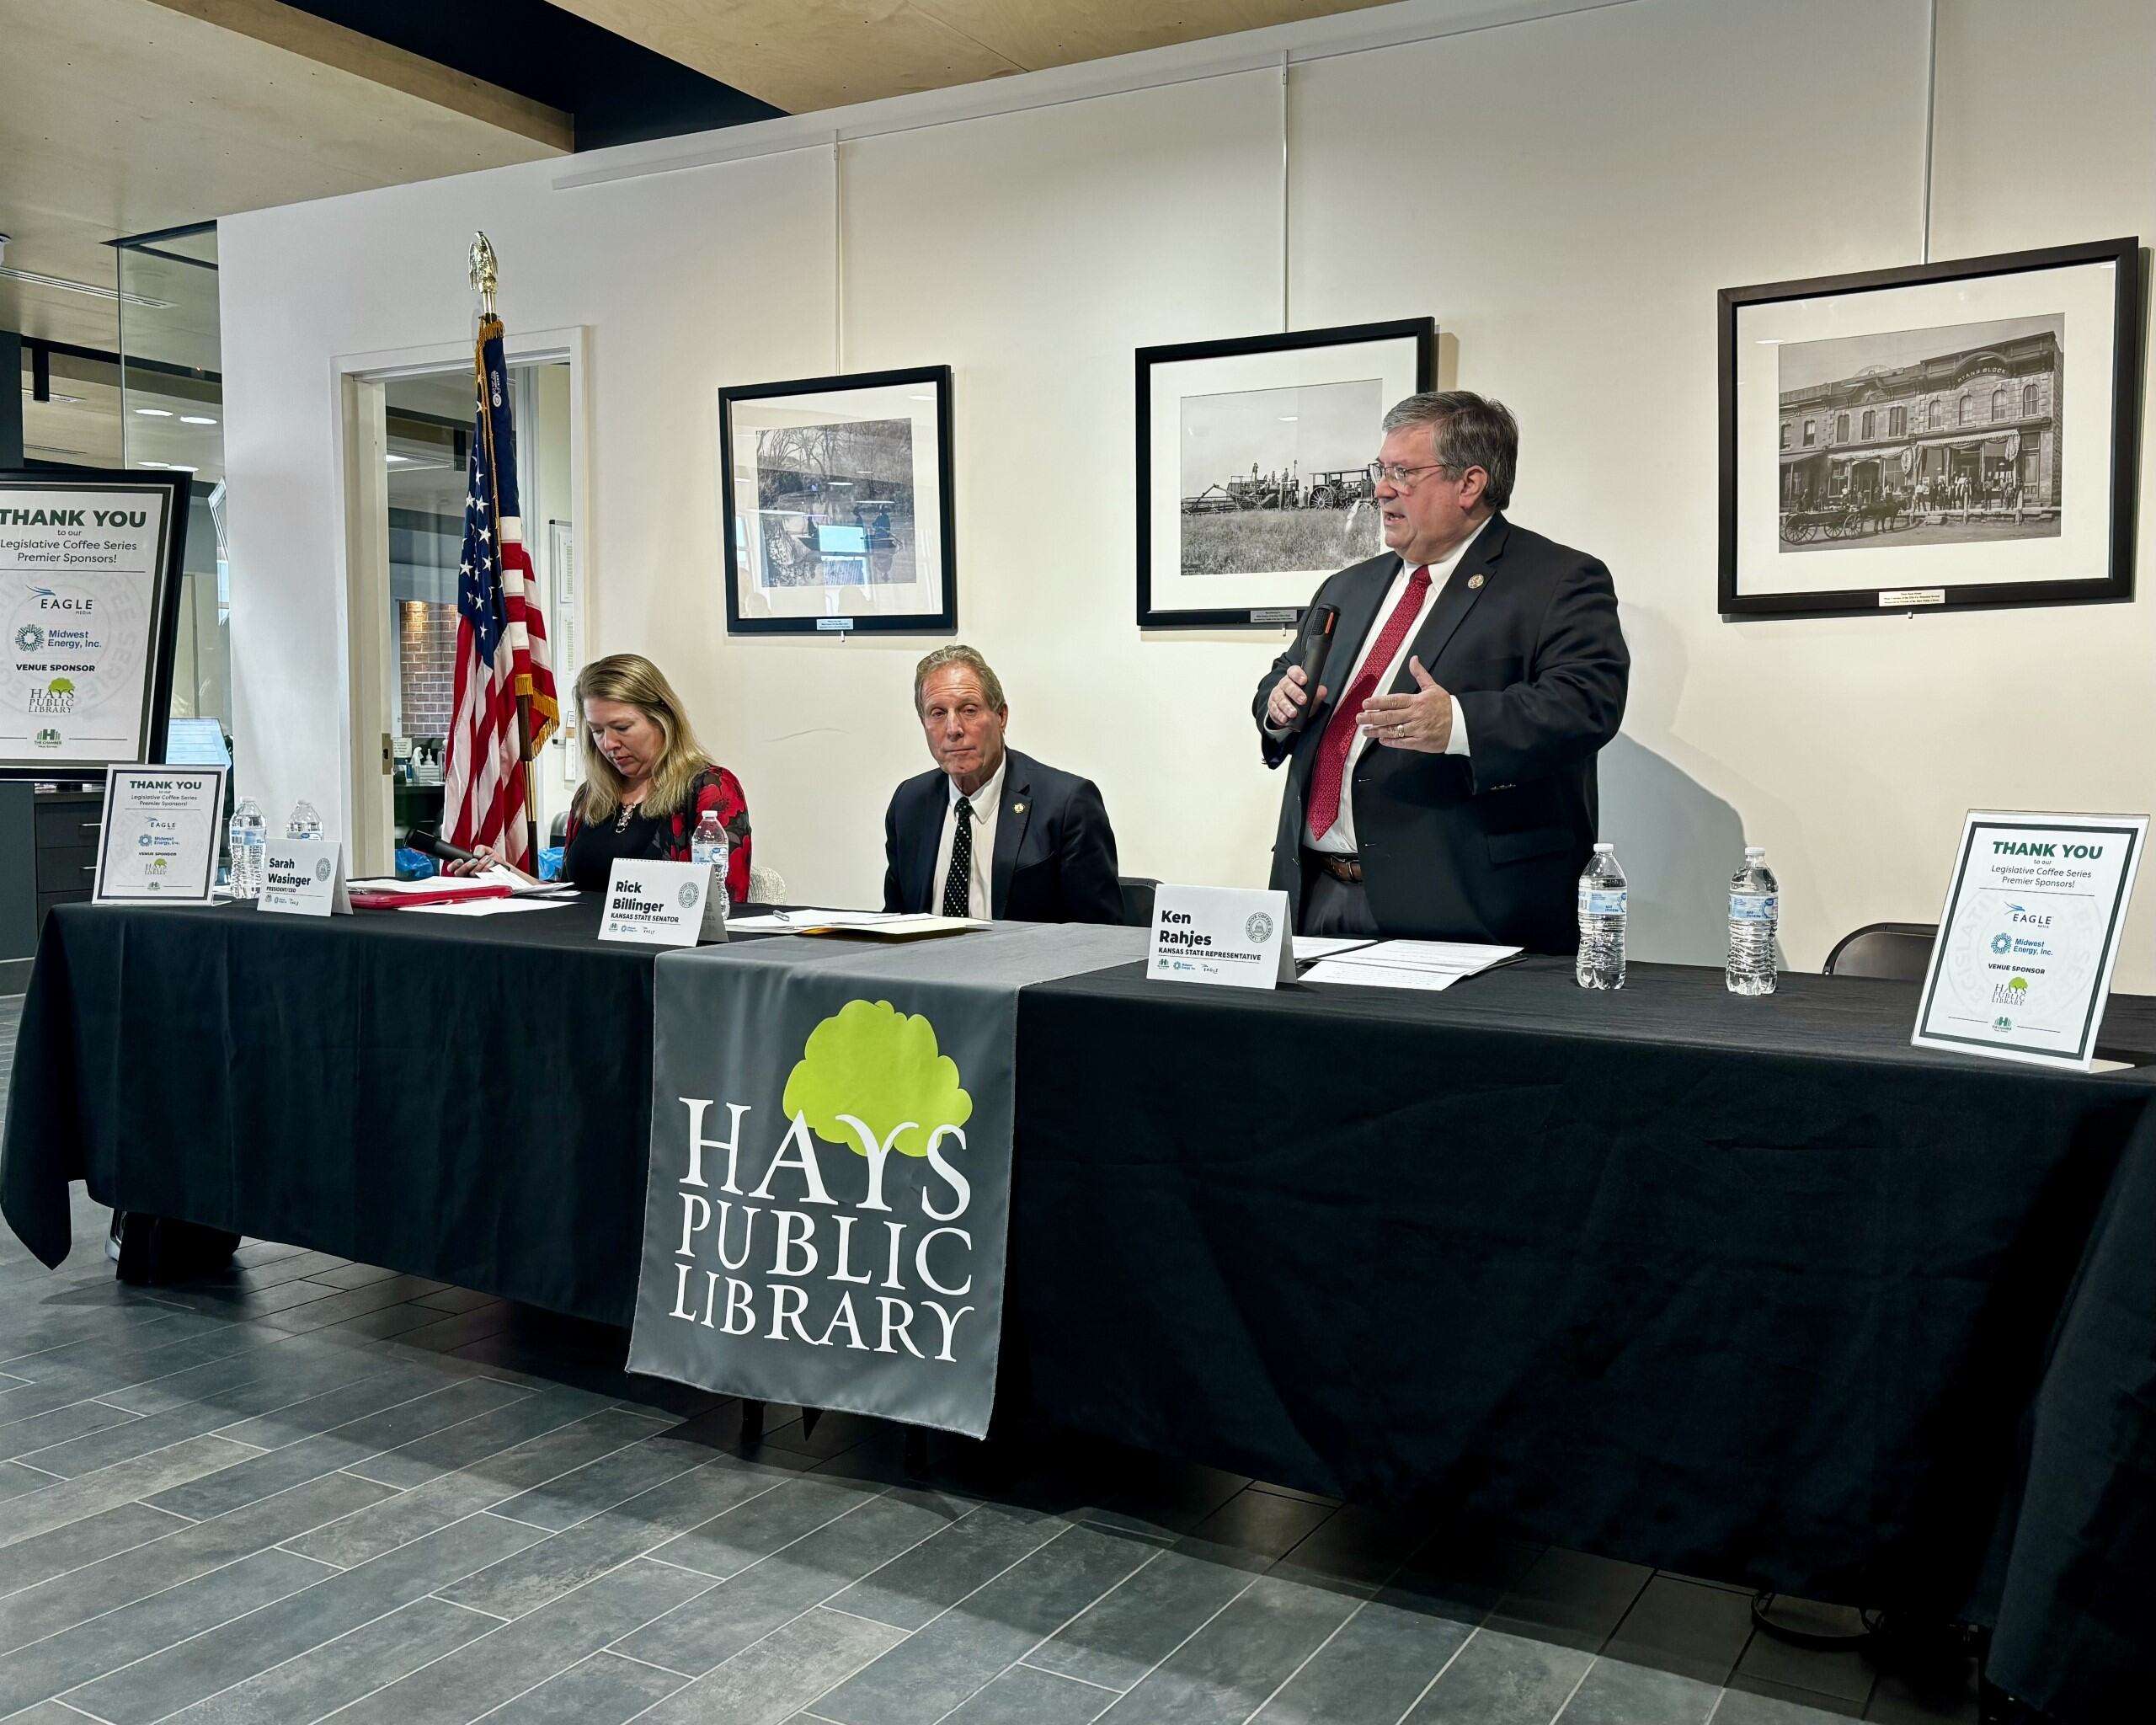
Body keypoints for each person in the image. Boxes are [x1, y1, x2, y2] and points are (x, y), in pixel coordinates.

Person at [1255, 391, 1629, 952]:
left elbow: (1586, 704)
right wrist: (1279, 707)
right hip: (1315, 897)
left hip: (1461, 908)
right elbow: (1283, 678)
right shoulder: (1347, 587)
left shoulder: (1557, 580)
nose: (1381, 490)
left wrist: (1457, 722)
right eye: (1381, 470)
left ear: (1469, 484)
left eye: (1403, 473)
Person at [447, 653, 750, 900]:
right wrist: (506, 874)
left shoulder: (710, 789)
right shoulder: (590, 796)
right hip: (579, 945)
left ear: (663, 719)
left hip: (662, 952)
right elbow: (569, 893)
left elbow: (725, 903)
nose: (608, 744)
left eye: (622, 728)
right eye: (597, 731)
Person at [883, 644, 1123, 924]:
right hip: (925, 954)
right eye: (937, 713)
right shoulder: (909, 803)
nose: (953, 729)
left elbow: (1101, 934)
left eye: (969, 710)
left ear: (1001, 716)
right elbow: (895, 922)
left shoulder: (1067, 805)